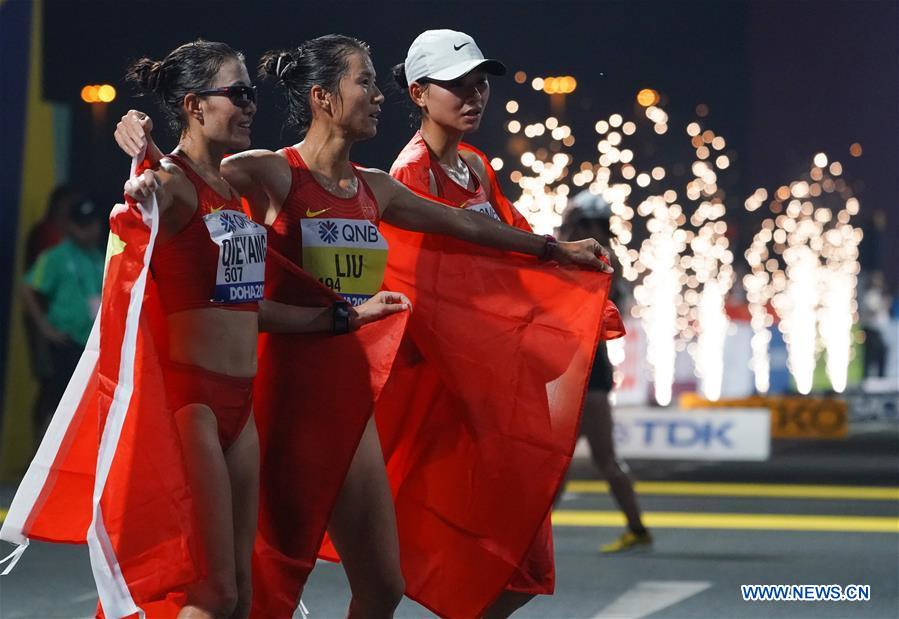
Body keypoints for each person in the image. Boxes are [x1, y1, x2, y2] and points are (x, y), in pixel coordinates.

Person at [115, 33, 613, 619]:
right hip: (281, 404)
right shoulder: (268, 173)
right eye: (367, 82)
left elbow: (469, 228)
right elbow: (188, 178)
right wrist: (140, 147)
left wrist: (552, 251)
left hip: (351, 405)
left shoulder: (376, 188)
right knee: (253, 590)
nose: (381, 95)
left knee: (381, 587)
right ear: (324, 97)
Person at [3, 39, 408, 619]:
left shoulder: (230, 193)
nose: (249, 106)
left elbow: (246, 308)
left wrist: (344, 316)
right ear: (194, 105)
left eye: (251, 94)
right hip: (192, 407)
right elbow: (143, 199)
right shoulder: (173, 184)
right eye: (236, 94)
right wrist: (137, 176)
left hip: (239, 413)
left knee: (241, 595)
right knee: (211, 593)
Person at [558, 191, 651, 554]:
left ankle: (638, 527)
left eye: (573, 224)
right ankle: (636, 527)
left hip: (586, 372)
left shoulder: (593, 263)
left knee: (594, 459)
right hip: (581, 369)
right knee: (566, 460)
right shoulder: (605, 261)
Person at [22, 196, 103, 443]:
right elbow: (27, 288)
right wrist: (45, 327)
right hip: (64, 340)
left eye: (91, 224)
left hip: (90, 343)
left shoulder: (99, 257)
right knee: (55, 399)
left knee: (84, 404)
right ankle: (40, 463)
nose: (88, 231)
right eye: (82, 224)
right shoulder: (56, 256)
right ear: (71, 226)